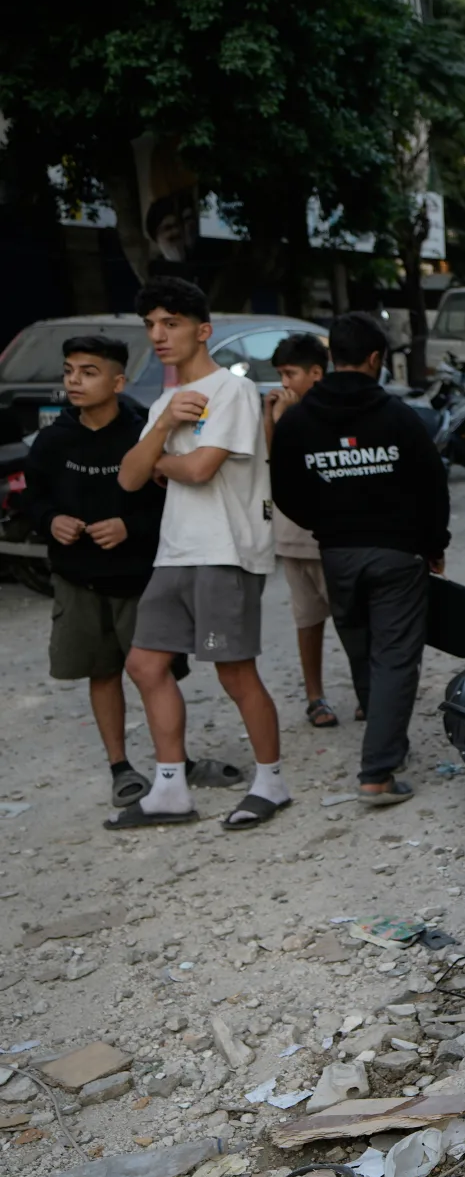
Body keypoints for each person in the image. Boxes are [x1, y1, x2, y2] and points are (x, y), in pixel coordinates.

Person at [111, 277, 285, 831]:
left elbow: (199, 468)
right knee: (144, 664)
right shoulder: (165, 402)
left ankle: (270, 782)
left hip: (226, 549)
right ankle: (170, 789)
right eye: (151, 325)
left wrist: (158, 461)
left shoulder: (232, 390)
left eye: (171, 323)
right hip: (175, 551)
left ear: (202, 330)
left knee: (234, 672)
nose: (158, 335)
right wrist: (164, 425)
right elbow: (128, 478)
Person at [270, 312, 450, 809]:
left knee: (362, 647)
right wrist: (434, 544)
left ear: (332, 358)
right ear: (375, 359)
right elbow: (433, 486)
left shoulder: (298, 421)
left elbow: (284, 490)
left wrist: (327, 525)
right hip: (397, 554)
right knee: (394, 656)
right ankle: (377, 772)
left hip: (337, 554)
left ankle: (386, 737)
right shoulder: (400, 418)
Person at [21, 334, 167, 809]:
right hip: (78, 580)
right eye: (69, 371)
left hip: (139, 580)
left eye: (88, 372)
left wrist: (130, 527)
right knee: (101, 674)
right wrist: (50, 520)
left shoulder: (144, 433)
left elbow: (173, 504)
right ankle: (120, 767)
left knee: (154, 675)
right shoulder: (53, 440)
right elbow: (32, 499)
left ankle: (175, 764)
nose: (74, 381)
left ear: (118, 382)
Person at [263, 333, 342, 730]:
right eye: (280, 374)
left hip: (333, 536)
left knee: (351, 620)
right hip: (292, 535)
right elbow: (271, 461)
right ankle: (315, 696)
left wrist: (288, 420)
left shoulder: (330, 409)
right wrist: (274, 418)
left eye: (290, 373)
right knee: (307, 619)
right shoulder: (281, 410)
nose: (284, 383)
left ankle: (368, 692)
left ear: (316, 373)